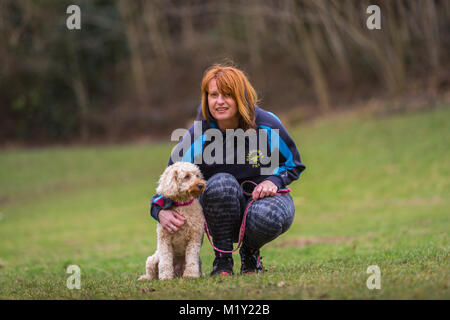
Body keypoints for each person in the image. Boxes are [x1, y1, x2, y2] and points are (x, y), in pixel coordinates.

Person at [150, 64, 305, 276]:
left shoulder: (267, 124)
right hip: (217, 207)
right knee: (221, 182)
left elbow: (294, 163)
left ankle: (250, 253)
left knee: (270, 214)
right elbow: (170, 177)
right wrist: (159, 211)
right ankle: (222, 260)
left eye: (228, 95)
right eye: (213, 95)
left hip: (261, 203)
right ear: (206, 98)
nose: (219, 101)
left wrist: (274, 181)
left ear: (242, 97)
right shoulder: (198, 133)